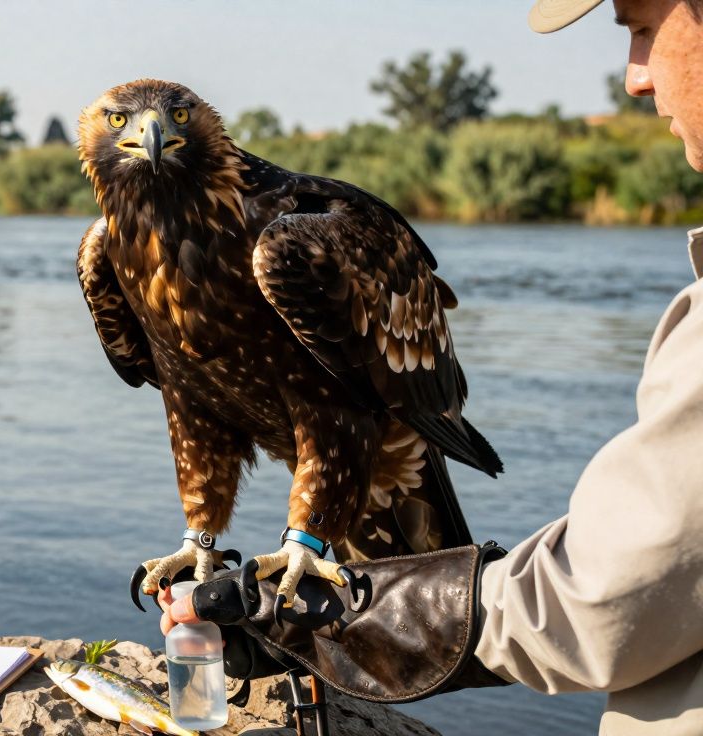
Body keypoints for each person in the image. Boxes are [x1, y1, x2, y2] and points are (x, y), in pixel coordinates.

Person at [160, 0, 703, 733]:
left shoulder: (301, 237)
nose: (634, 78)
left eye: (641, 28)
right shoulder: (115, 258)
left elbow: (606, 598)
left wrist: (322, 618)